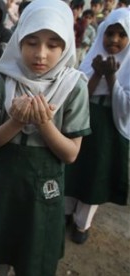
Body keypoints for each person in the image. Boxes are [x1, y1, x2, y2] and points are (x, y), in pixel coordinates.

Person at [0, 0, 91, 275]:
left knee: (35, 257)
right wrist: (16, 121)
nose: (41, 54)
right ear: (18, 41)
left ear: (65, 47)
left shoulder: (73, 87)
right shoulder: (3, 80)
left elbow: (71, 153)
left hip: (45, 186)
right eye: (31, 42)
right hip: (4, 181)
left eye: (53, 44)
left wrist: (44, 123)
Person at [65, 8, 129, 245]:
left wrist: (112, 78)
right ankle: (66, 212)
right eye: (109, 33)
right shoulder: (92, 59)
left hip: (111, 129)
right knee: (74, 168)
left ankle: (83, 223)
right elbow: (79, 95)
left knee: (96, 175)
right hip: (84, 120)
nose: (113, 40)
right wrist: (97, 75)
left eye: (121, 35)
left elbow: (127, 106)